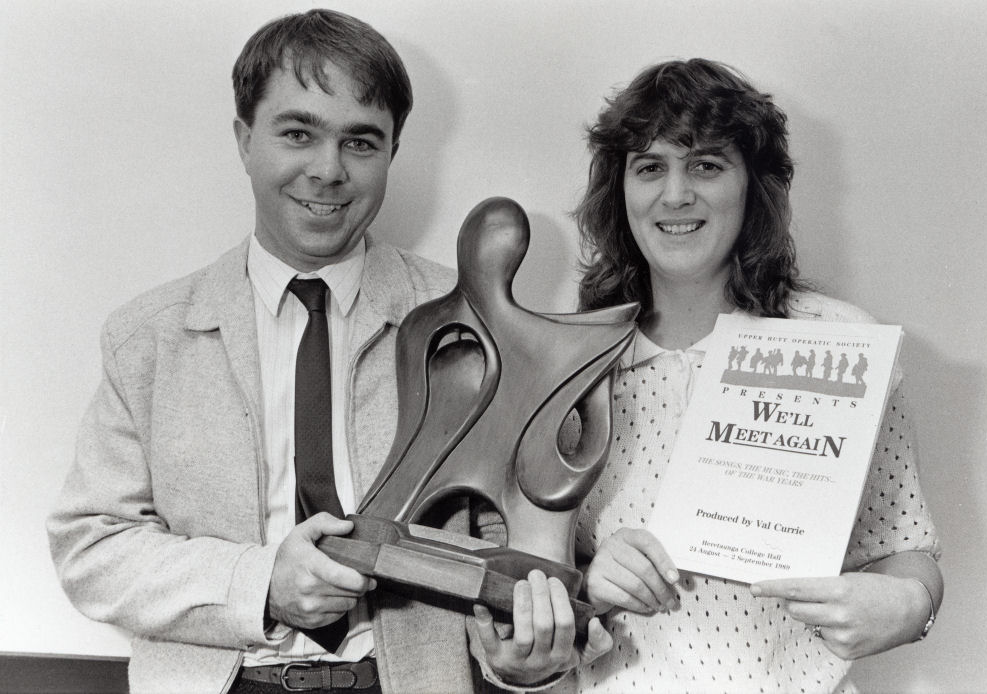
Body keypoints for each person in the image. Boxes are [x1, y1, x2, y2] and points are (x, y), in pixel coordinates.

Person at [46, 10, 607, 694]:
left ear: (392, 153)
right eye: (297, 133)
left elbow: (519, 549)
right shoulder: (148, 339)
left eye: (360, 142)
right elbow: (92, 549)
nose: (327, 169)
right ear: (244, 140)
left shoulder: (471, 329)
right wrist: (260, 586)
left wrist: (525, 659)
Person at [569, 58, 942, 693]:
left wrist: (910, 608)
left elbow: (905, 545)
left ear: (753, 188)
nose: (676, 194)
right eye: (650, 166)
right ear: (620, 190)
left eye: (707, 165)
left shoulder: (840, 343)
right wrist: (585, 581)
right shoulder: (570, 361)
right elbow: (531, 578)